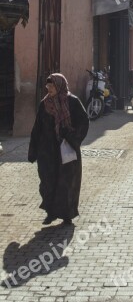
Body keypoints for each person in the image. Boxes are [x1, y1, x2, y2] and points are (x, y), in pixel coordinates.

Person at [28, 73, 89, 225]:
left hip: (66, 149)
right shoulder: (44, 104)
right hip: (47, 151)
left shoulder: (72, 102)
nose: (49, 88)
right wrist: (33, 150)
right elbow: (37, 128)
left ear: (59, 85)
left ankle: (66, 214)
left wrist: (70, 135)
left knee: (67, 183)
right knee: (47, 182)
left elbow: (83, 122)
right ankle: (50, 212)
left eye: (52, 85)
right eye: (47, 85)